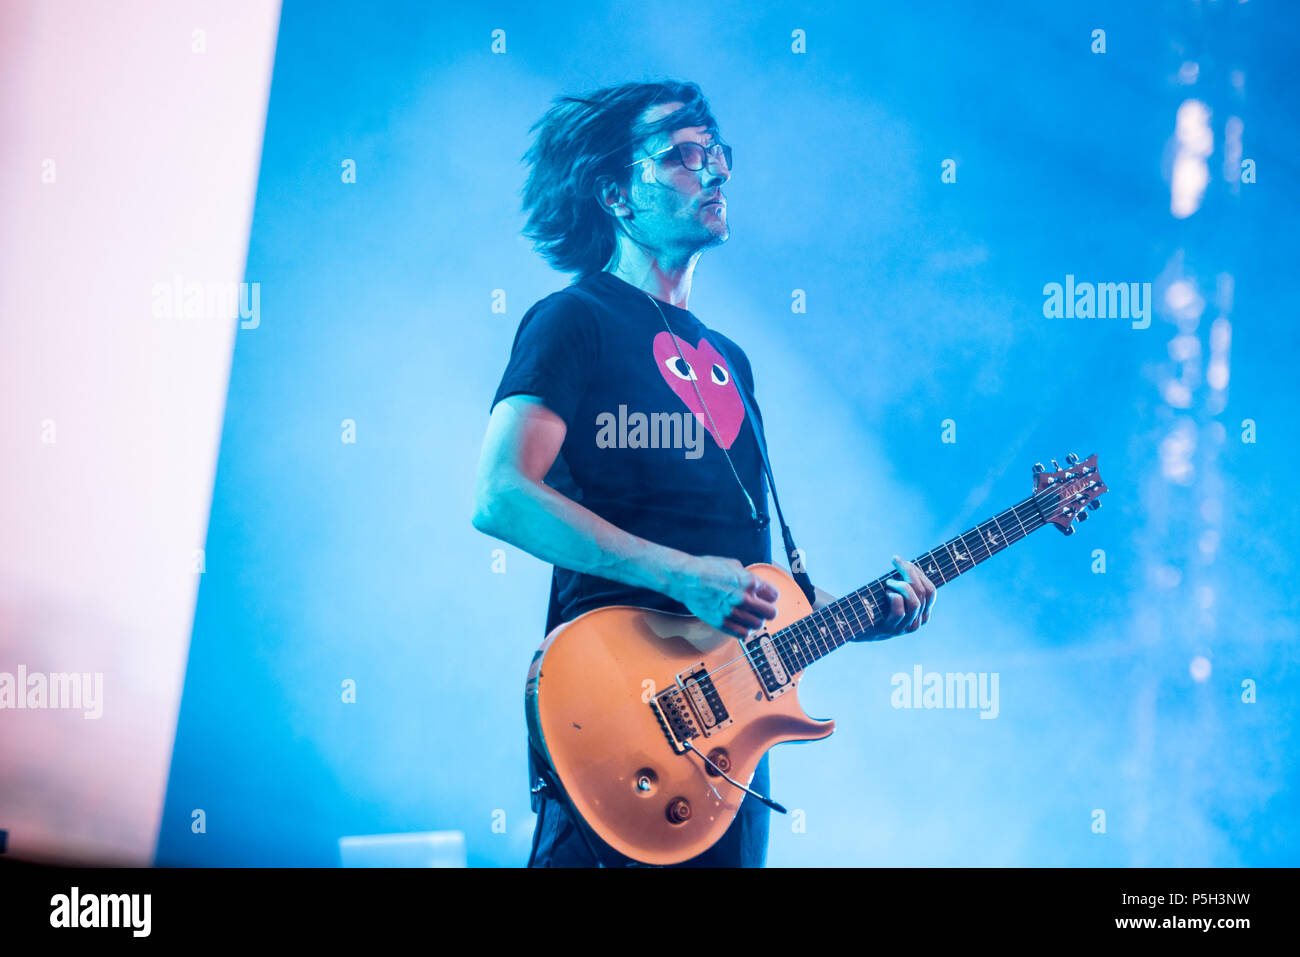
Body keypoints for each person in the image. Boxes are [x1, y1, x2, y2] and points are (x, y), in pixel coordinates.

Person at [471, 79, 937, 867]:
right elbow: (501, 495)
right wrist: (684, 576)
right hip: (620, 716)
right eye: (685, 156)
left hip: (729, 760)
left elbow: (759, 586)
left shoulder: (733, 363)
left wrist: (867, 613)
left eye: (717, 154)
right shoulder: (573, 319)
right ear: (618, 191)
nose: (715, 172)